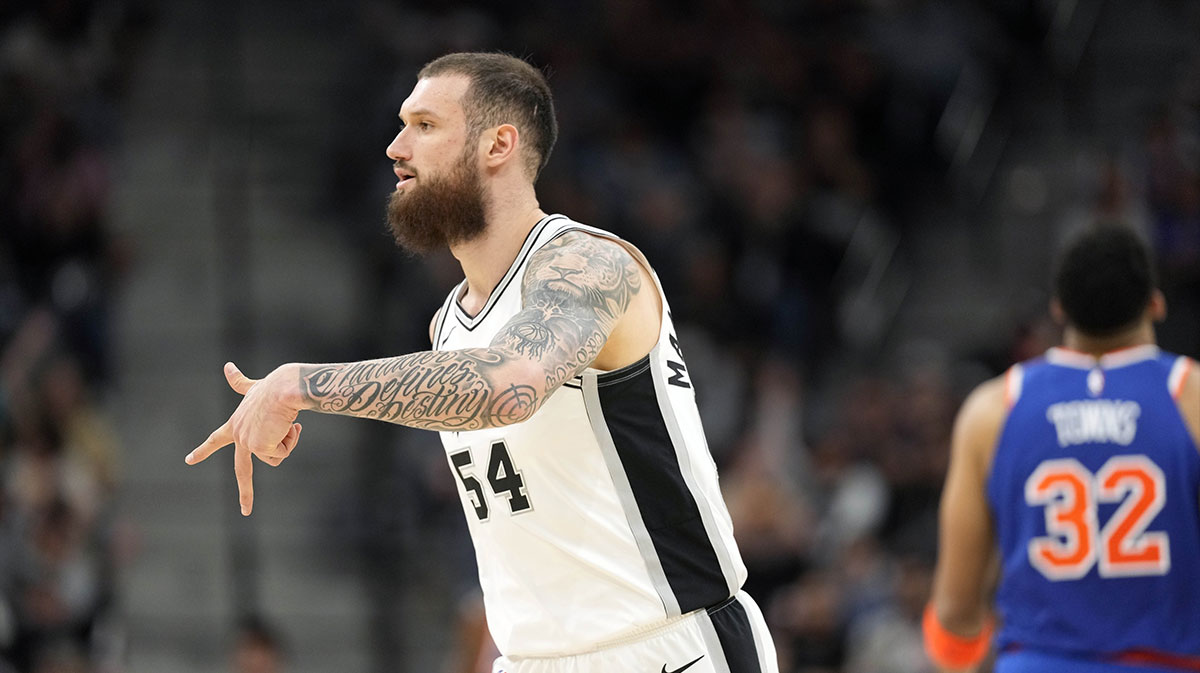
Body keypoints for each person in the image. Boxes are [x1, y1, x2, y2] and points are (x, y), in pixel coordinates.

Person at [186, 52, 779, 673]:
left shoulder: (588, 267)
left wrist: (299, 386)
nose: (395, 146)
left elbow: (511, 386)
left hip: (664, 644)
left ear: (498, 144)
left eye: (424, 125)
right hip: (533, 657)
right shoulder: (450, 322)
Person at [925, 223, 1200, 673]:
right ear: (1155, 302)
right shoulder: (1191, 398)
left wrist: (957, 659)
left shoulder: (993, 410)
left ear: (1058, 308)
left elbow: (956, 611)